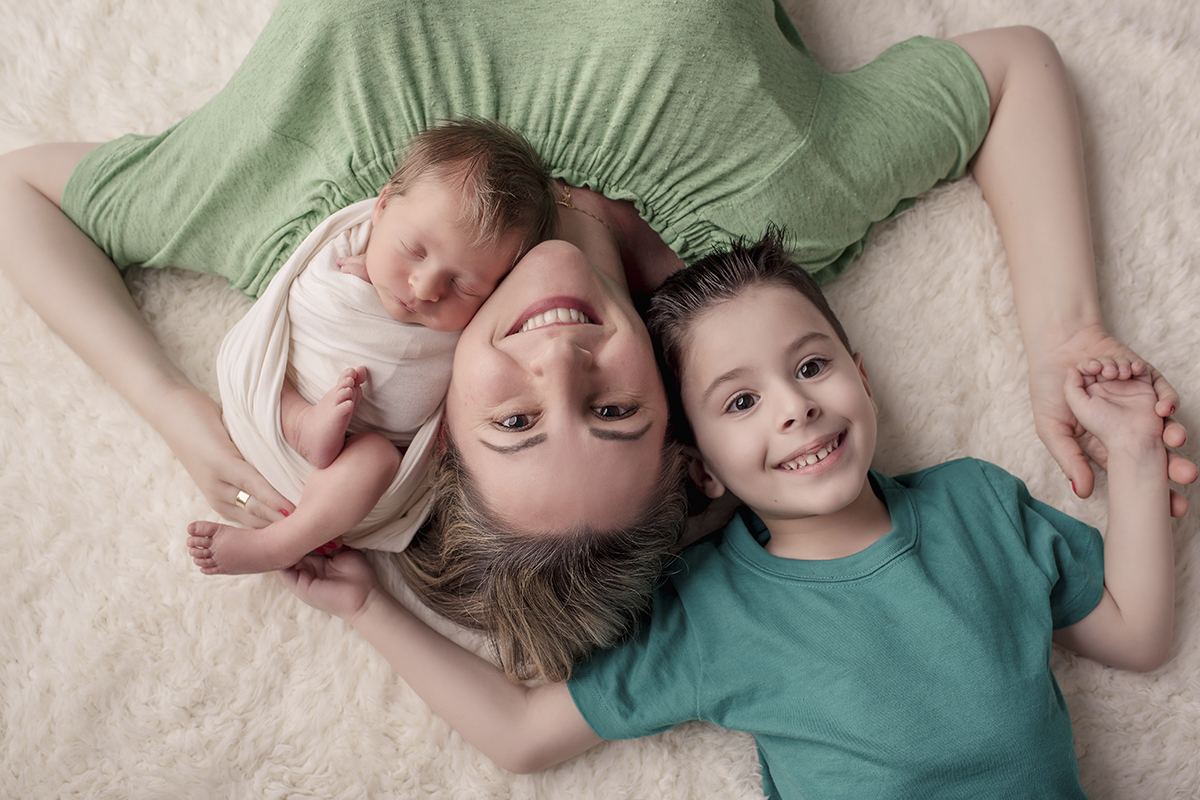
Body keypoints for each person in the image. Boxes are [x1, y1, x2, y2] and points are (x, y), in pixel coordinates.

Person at [0, 0, 1192, 676]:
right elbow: (1013, 71)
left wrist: (176, 410)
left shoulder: (311, 252)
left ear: (444, 430)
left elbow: (21, 190)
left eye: (516, 418)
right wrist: (1066, 325)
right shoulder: (776, 207)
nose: (561, 358)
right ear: (677, 414)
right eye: (614, 408)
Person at [282, 231, 1175, 799]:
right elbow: (520, 734)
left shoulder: (978, 504)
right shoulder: (714, 611)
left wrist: (1134, 452)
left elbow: (1136, 636)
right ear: (699, 466)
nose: (795, 406)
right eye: (740, 402)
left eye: (813, 366)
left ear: (862, 376)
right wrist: (366, 607)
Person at [185, 118, 558, 575]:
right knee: (264, 367)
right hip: (270, 407)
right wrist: (369, 270)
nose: (425, 288)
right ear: (381, 208)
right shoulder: (347, 251)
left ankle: (280, 543)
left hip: (339, 481)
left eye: (463, 285)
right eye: (413, 250)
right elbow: (286, 318)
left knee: (377, 459)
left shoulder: (479, 326)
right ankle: (300, 422)